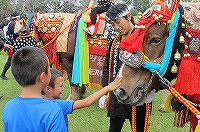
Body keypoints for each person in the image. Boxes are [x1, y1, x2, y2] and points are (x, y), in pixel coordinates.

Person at [2, 46, 122, 132]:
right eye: (49, 69)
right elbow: (86, 102)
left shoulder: (9, 107)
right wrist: (108, 87)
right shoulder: (54, 111)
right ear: (42, 77)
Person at [102, 3, 147, 132]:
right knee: (113, 129)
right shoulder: (115, 40)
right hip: (116, 93)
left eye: (118, 22)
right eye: (112, 24)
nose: (116, 27)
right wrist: (105, 91)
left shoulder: (142, 38)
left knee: (139, 128)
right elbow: (107, 66)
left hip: (136, 93)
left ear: (128, 16)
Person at [42, 68, 122, 131]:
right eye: (60, 86)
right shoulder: (60, 106)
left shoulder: (39, 104)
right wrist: (107, 88)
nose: (63, 89)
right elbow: (86, 102)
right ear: (48, 89)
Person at [0, 12, 20, 80]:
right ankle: (3, 74)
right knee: (11, 60)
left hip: (10, 43)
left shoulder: (10, 23)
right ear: (17, 18)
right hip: (12, 45)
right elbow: (15, 35)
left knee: (15, 59)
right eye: (19, 18)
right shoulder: (13, 24)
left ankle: (18, 74)